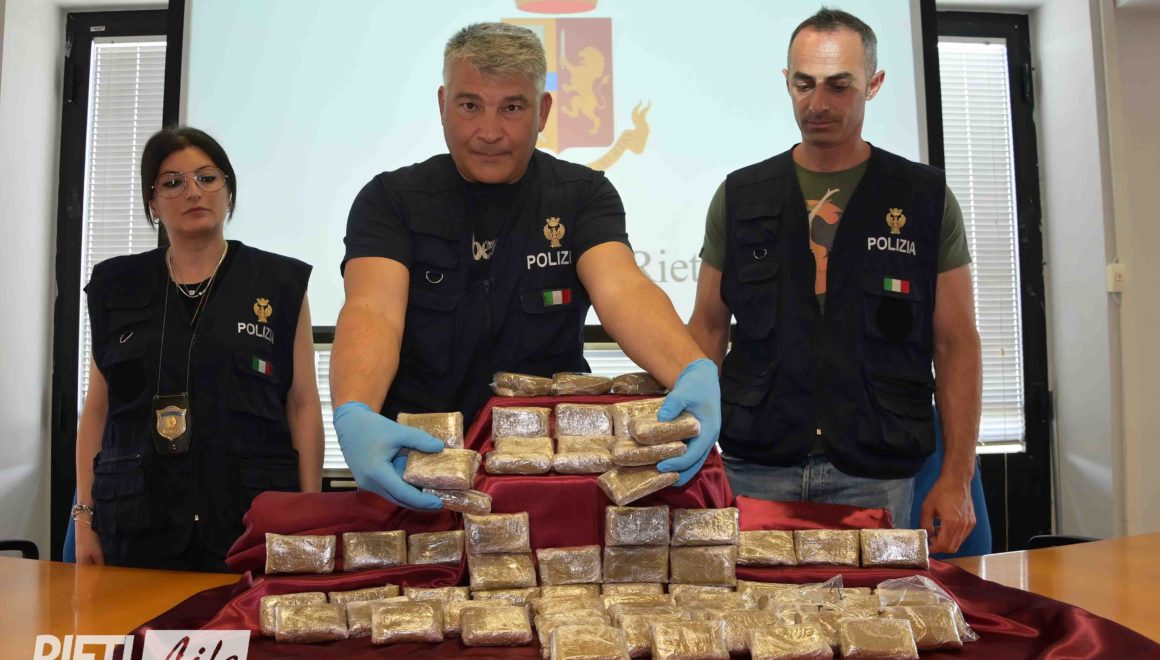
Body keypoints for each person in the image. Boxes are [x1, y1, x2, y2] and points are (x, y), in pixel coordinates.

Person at [331, 22, 720, 510]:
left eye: (512, 108)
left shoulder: (582, 195)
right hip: (415, 467)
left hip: (550, 478)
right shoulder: (390, 200)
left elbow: (623, 289)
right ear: (442, 104)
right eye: (470, 106)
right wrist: (355, 411)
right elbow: (373, 310)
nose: (489, 132)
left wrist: (690, 368)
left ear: (543, 112)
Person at [687, 8, 982, 554]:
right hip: (757, 466)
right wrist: (691, 450)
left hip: (876, 470)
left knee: (875, 610)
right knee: (759, 609)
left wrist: (957, 477)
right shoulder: (740, 195)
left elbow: (956, 343)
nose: (818, 103)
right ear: (787, 81)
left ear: (874, 83)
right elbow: (707, 328)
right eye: (804, 84)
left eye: (838, 86)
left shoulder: (922, 198)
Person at [73, 127, 324, 571]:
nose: (193, 192)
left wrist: (308, 515)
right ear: (152, 203)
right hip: (136, 522)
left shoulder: (279, 283)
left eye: (207, 178)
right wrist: (84, 518)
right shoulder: (116, 285)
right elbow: (98, 409)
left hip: (250, 520)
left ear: (229, 191)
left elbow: (302, 403)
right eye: (172, 182)